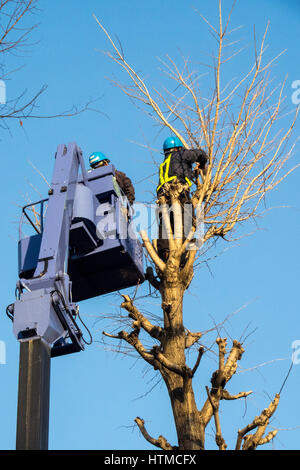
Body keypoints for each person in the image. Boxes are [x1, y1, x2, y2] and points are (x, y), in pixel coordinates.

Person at [156, 136, 208, 263]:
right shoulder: (181, 154)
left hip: (163, 196)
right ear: (178, 147)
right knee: (187, 219)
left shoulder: (164, 163)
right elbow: (201, 154)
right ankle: (184, 253)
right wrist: (202, 164)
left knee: (167, 224)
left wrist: (191, 172)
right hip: (179, 193)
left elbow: (180, 170)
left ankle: (164, 252)